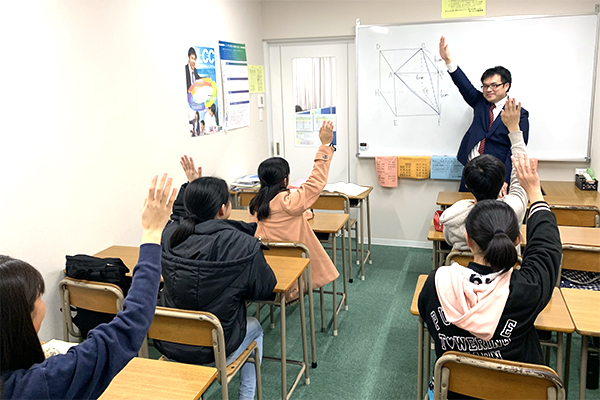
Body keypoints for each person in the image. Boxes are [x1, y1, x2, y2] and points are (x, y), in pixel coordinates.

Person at [1, 173, 177, 399]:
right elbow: (132, 323)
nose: (42, 303)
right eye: (38, 296)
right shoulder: (45, 382)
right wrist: (152, 234)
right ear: (18, 320)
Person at [418, 153, 561, 399]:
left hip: (452, 394)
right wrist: (535, 192)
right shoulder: (527, 290)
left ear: (468, 239)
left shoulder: (436, 284)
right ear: (517, 240)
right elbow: (546, 248)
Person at [156, 155, 276, 400]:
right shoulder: (243, 243)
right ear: (223, 209)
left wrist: (192, 185)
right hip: (216, 348)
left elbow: (177, 217)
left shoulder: (169, 236)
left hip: (169, 341)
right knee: (255, 327)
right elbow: (264, 289)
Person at [249, 120, 339, 300]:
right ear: (285, 180)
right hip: (295, 274)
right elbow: (316, 182)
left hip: (267, 271)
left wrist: (303, 213)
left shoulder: (256, 205)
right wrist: (325, 145)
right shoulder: (290, 203)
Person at [439, 36, 530, 195]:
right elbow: (463, 84)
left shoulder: (518, 114)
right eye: (485, 86)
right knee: (465, 206)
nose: (488, 90)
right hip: (471, 170)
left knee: (489, 210)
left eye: (494, 85)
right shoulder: (480, 102)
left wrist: (506, 179)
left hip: (496, 176)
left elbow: (516, 149)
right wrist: (448, 60)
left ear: (506, 86)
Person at [440, 98, 528, 252]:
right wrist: (514, 129)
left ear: (467, 184)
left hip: (465, 267)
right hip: (506, 267)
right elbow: (520, 173)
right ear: (502, 183)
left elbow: (448, 239)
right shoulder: (513, 208)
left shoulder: (454, 215)